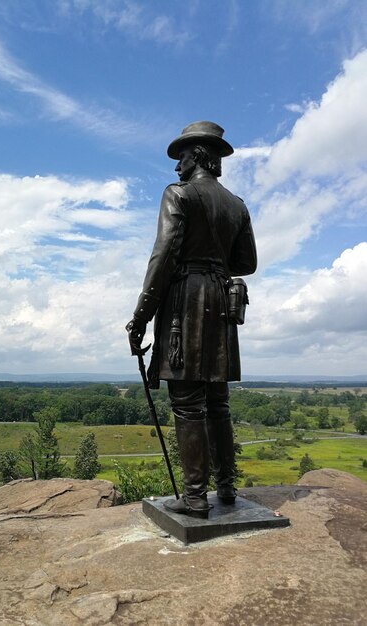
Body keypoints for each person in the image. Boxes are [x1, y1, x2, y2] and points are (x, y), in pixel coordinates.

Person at [126, 121, 257, 518]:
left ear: (199, 154)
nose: (176, 165)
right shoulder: (236, 204)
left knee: (187, 404)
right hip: (220, 300)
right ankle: (227, 488)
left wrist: (141, 316)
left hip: (186, 301)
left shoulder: (178, 194)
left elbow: (163, 256)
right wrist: (215, 258)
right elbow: (246, 263)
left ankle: (196, 496)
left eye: (181, 155)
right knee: (217, 403)